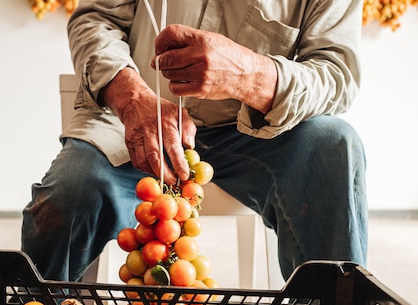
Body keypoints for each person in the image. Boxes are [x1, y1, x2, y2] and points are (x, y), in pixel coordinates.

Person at [21, 0, 368, 283]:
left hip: (257, 130)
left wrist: (250, 76)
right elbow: (95, 19)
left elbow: (337, 73)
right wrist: (130, 98)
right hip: (133, 115)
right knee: (72, 191)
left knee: (334, 145)